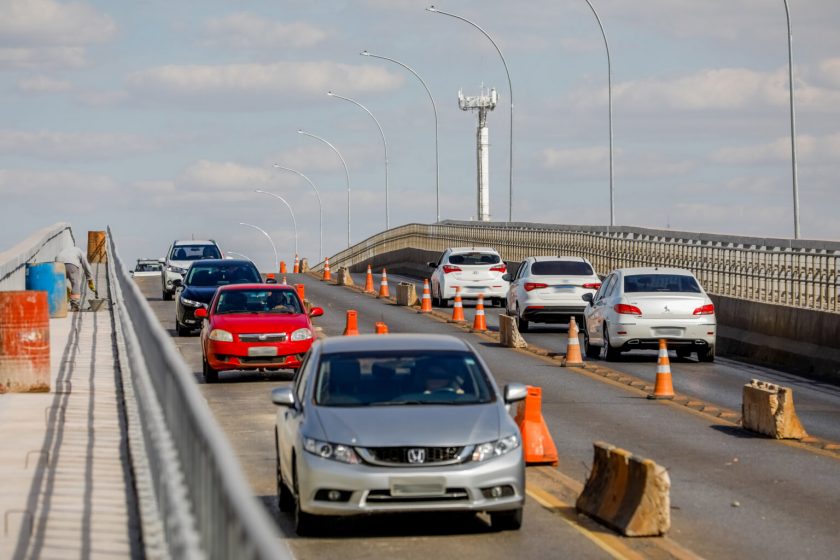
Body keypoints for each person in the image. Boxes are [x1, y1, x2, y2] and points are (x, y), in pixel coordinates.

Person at [56, 245, 95, 311]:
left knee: (59, 283)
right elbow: (86, 265)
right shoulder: (80, 251)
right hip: (72, 264)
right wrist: (90, 279)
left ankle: (60, 301)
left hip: (58, 263)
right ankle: (75, 305)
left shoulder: (63, 250)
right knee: (75, 283)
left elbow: (57, 257)